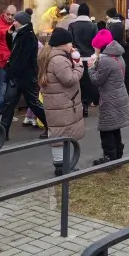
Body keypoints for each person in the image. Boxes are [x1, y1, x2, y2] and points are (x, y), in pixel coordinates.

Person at [38, 28, 84, 176]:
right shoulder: (59, 60)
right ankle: (61, 167)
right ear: (63, 43)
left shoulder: (50, 55)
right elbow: (69, 79)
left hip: (56, 102)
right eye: (70, 42)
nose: (72, 44)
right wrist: (78, 64)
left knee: (60, 132)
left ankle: (62, 165)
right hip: (62, 102)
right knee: (61, 133)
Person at [1, 11, 47, 139]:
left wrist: (11, 70)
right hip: (18, 76)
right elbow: (13, 49)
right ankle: (3, 132)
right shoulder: (19, 34)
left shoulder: (28, 36)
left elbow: (22, 58)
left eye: (15, 20)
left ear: (22, 22)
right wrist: (9, 35)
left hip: (25, 76)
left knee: (33, 103)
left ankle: (50, 126)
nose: (13, 22)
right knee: (8, 104)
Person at [89, 29, 129, 165]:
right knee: (115, 127)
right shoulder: (117, 55)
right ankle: (118, 154)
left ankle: (109, 157)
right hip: (119, 95)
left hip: (110, 98)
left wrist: (91, 67)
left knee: (106, 129)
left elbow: (96, 80)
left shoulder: (105, 60)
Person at [69, 3, 98, 116]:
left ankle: (78, 104)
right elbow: (96, 43)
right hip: (90, 57)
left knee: (77, 82)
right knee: (88, 82)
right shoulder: (93, 26)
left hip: (76, 58)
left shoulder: (72, 26)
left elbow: (70, 42)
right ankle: (86, 104)